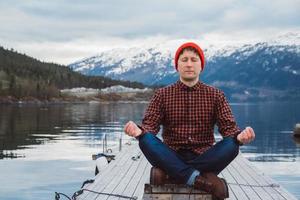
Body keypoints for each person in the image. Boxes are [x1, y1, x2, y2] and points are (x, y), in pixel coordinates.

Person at [124, 42, 255, 199]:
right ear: (177, 66)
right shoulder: (162, 94)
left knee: (232, 145)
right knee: (145, 139)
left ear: (201, 66)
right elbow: (150, 127)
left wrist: (240, 137)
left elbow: (229, 129)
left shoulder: (216, 95)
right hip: (171, 154)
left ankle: (171, 174)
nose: (189, 64)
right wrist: (139, 131)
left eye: (194, 60)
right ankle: (200, 178)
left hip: (206, 157)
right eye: (184, 60)